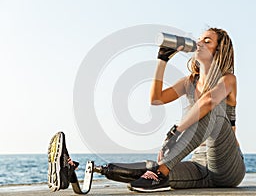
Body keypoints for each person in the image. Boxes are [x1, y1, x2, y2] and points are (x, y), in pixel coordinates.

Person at [48, 27, 245, 193]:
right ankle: (81, 170)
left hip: (227, 165)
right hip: (199, 165)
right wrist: (162, 60)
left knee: (212, 114)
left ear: (219, 50)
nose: (199, 43)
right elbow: (156, 99)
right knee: (151, 170)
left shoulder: (227, 79)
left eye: (207, 41)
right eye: (199, 39)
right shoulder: (189, 82)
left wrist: (175, 133)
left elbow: (208, 102)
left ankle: (162, 170)